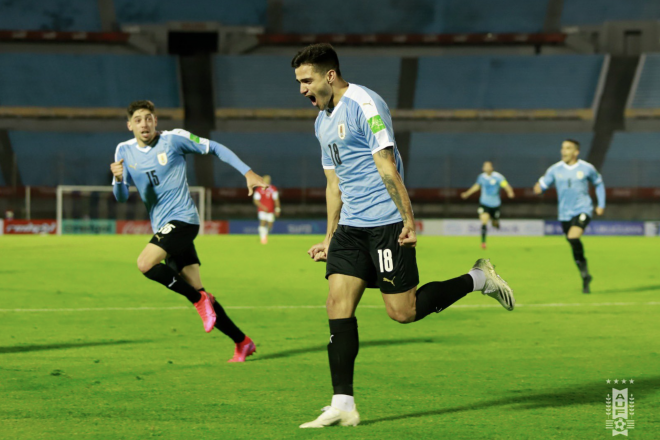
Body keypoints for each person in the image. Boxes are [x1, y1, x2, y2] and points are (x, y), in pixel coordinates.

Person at [292, 44, 516, 428]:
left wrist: (407, 220)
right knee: (336, 304)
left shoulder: (365, 104)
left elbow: (387, 165)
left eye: (306, 80)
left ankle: (479, 278)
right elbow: (334, 184)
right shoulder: (320, 122)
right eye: (298, 82)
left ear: (330, 75)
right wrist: (330, 236)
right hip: (350, 228)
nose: (302, 90)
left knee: (403, 312)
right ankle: (342, 404)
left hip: (384, 223)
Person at [110, 100, 266, 362]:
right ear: (130, 125)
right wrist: (117, 179)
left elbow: (213, 147)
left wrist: (247, 172)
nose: (144, 123)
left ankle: (197, 300)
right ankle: (242, 342)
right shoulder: (123, 150)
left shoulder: (174, 140)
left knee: (145, 264)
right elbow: (122, 197)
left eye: (148, 118)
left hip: (183, 219)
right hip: (164, 227)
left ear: (156, 121)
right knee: (198, 288)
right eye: (138, 120)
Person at [534, 139, 605, 293]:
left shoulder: (586, 168)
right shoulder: (555, 169)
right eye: (562, 148)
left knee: (573, 237)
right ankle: (585, 274)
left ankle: (584, 272)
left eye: (568, 148)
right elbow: (542, 186)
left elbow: (598, 183)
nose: (563, 151)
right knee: (573, 243)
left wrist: (601, 205)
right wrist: (538, 188)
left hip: (583, 209)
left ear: (576, 152)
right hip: (564, 214)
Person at [461, 161, 515, 249]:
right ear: (483, 168)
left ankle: (496, 222)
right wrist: (467, 194)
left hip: (495, 204)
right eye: (485, 166)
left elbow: (506, 185)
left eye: (488, 166)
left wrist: (510, 192)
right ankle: (483, 243)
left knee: (494, 223)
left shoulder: (498, 177)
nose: (486, 167)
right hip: (484, 203)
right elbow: (476, 187)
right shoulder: (481, 177)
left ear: (492, 168)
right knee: (484, 221)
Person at [253, 175, 280, 244]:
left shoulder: (273, 189)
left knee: (270, 225)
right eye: (266, 179)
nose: (267, 180)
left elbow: (276, 200)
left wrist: (277, 209)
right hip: (262, 210)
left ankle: (265, 234)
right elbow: (256, 200)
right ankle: (263, 238)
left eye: (268, 179)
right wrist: (262, 207)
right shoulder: (259, 189)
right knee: (263, 222)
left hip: (271, 210)